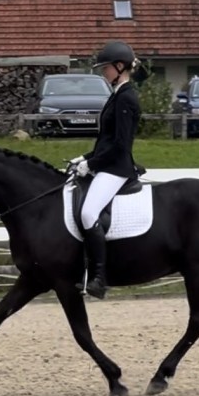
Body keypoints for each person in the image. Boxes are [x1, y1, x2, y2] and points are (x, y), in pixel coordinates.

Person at [70, 40, 143, 299]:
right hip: (107, 163)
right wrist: (85, 157)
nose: (103, 72)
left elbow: (121, 145)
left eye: (106, 68)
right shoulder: (117, 95)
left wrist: (92, 164)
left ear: (120, 66)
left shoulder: (127, 98)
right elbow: (107, 141)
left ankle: (100, 277)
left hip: (116, 168)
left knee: (89, 213)